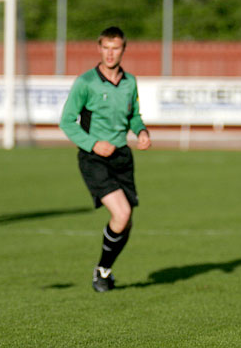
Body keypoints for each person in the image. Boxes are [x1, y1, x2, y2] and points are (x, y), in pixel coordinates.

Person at [59, 26, 151, 293]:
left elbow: (133, 115)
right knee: (121, 214)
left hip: (122, 157)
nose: (110, 53)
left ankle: (104, 271)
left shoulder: (129, 82)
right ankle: (101, 271)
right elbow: (66, 122)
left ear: (123, 49)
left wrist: (141, 131)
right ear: (99, 48)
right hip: (93, 158)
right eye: (106, 48)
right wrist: (93, 144)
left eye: (116, 48)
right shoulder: (85, 82)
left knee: (126, 220)